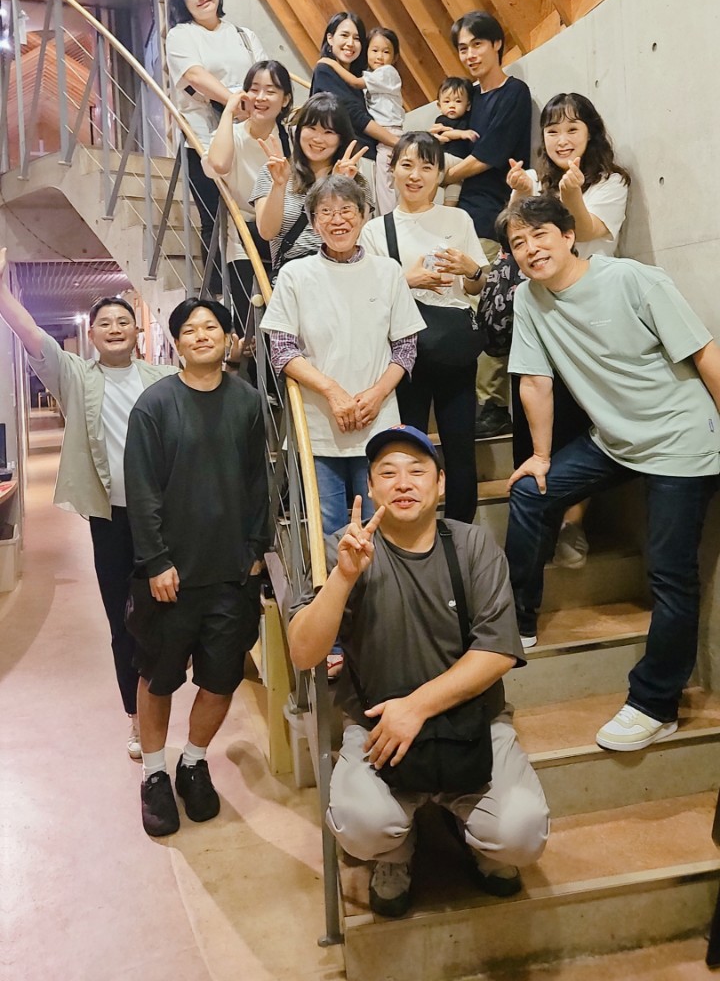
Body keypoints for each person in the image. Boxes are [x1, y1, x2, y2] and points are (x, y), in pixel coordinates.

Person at [288, 426, 549, 918]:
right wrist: (344, 577)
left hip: (471, 722)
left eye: (417, 470)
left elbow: (497, 652)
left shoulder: (473, 546)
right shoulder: (344, 549)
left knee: (521, 834)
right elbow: (303, 653)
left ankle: (476, 835)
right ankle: (396, 854)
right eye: (388, 473)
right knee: (363, 827)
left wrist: (415, 707)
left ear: (441, 483)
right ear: (370, 486)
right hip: (375, 726)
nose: (403, 482)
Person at [500, 196, 720, 751]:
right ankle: (516, 620)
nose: (530, 249)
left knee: (670, 574)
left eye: (540, 235)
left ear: (568, 235)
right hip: (615, 441)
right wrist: (541, 455)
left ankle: (656, 703)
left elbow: (705, 355)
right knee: (531, 492)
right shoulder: (529, 299)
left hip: (680, 440)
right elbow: (535, 381)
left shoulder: (633, 279)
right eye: (519, 243)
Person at [0, 250, 176, 759]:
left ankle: (159, 708)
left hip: (163, 518)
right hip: (111, 519)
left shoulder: (162, 381)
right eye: (105, 324)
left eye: (123, 321)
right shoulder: (76, 376)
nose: (115, 329)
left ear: (137, 331)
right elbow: (32, 335)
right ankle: (136, 718)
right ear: (92, 335)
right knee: (123, 621)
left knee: (170, 620)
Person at [124, 297, 269, 837]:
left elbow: (259, 481)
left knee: (221, 677)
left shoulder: (247, 401)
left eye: (211, 327)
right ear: (177, 343)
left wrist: (256, 549)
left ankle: (192, 762)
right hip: (170, 576)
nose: (201, 335)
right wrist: (156, 560)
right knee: (158, 677)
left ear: (228, 339)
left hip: (231, 573)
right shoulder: (155, 404)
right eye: (189, 329)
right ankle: (155, 774)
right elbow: (141, 490)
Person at [507, 93, 631, 567]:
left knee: (580, 417)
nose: (562, 139)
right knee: (532, 412)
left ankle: (572, 523)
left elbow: (590, 231)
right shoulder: (536, 178)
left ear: (590, 132)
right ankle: (534, 528)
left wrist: (571, 193)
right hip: (538, 309)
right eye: (553, 131)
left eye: (572, 129)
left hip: (591, 316)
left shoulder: (611, 180)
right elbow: (513, 233)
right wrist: (520, 192)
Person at [260, 175, 423, 536]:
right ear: (313, 222)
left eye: (347, 210)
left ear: (364, 215)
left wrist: (376, 394)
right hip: (319, 424)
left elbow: (406, 347)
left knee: (383, 522)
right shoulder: (294, 274)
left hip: (378, 421)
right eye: (326, 212)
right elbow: (282, 350)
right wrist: (333, 392)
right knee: (329, 528)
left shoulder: (388, 271)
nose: (338, 220)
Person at [361, 132, 487, 522]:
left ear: (439, 174)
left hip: (453, 348)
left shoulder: (458, 219)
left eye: (427, 167)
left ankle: (461, 534)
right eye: (407, 165)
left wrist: (473, 270)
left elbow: (474, 287)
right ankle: (413, 529)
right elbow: (368, 299)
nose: (416, 175)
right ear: (392, 170)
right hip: (404, 355)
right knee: (408, 451)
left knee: (460, 450)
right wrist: (408, 280)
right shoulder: (376, 230)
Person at [444, 12, 532, 439]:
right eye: (463, 48)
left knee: (491, 308)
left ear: (497, 43)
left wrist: (439, 176)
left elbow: (488, 156)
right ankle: (472, 402)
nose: (470, 54)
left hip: (494, 217)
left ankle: (493, 405)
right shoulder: (468, 99)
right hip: (459, 215)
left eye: (477, 44)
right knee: (465, 308)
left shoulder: (514, 92)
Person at [166, 0, 267, 295]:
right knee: (216, 221)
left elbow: (265, 76)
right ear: (182, 1)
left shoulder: (243, 35)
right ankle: (221, 299)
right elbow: (195, 76)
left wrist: (251, 105)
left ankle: (259, 291)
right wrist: (236, 101)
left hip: (251, 138)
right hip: (204, 141)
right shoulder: (181, 35)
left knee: (258, 213)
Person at [203, 59, 293, 335]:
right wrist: (229, 111)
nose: (261, 97)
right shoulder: (231, 135)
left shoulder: (291, 138)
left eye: (271, 91)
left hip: (285, 233)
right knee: (250, 326)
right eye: (254, 89)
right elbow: (218, 164)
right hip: (244, 235)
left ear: (286, 99)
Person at [250, 92, 367, 276]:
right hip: (292, 276)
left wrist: (339, 187)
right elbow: (267, 232)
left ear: (341, 139)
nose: (318, 139)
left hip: (344, 273)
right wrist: (279, 185)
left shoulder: (355, 180)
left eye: (328, 132)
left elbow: (356, 238)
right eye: (311, 128)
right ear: (299, 130)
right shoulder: (273, 172)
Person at [317, 25, 405, 215]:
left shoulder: (386, 72)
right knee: (383, 184)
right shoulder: (372, 75)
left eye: (386, 52)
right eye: (374, 50)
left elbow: (355, 83)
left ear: (395, 57)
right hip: (382, 135)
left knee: (385, 184)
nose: (379, 56)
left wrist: (330, 63)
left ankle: (388, 220)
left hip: (389, 132)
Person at [309, 13, 401, 166]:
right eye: (344, 35)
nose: (350, 43)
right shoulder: (325, 69)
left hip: (369, 155)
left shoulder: (361, 76)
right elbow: (354, 115)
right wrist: (398, 143)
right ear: (330, 38)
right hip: (347, 159)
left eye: (357, 38)